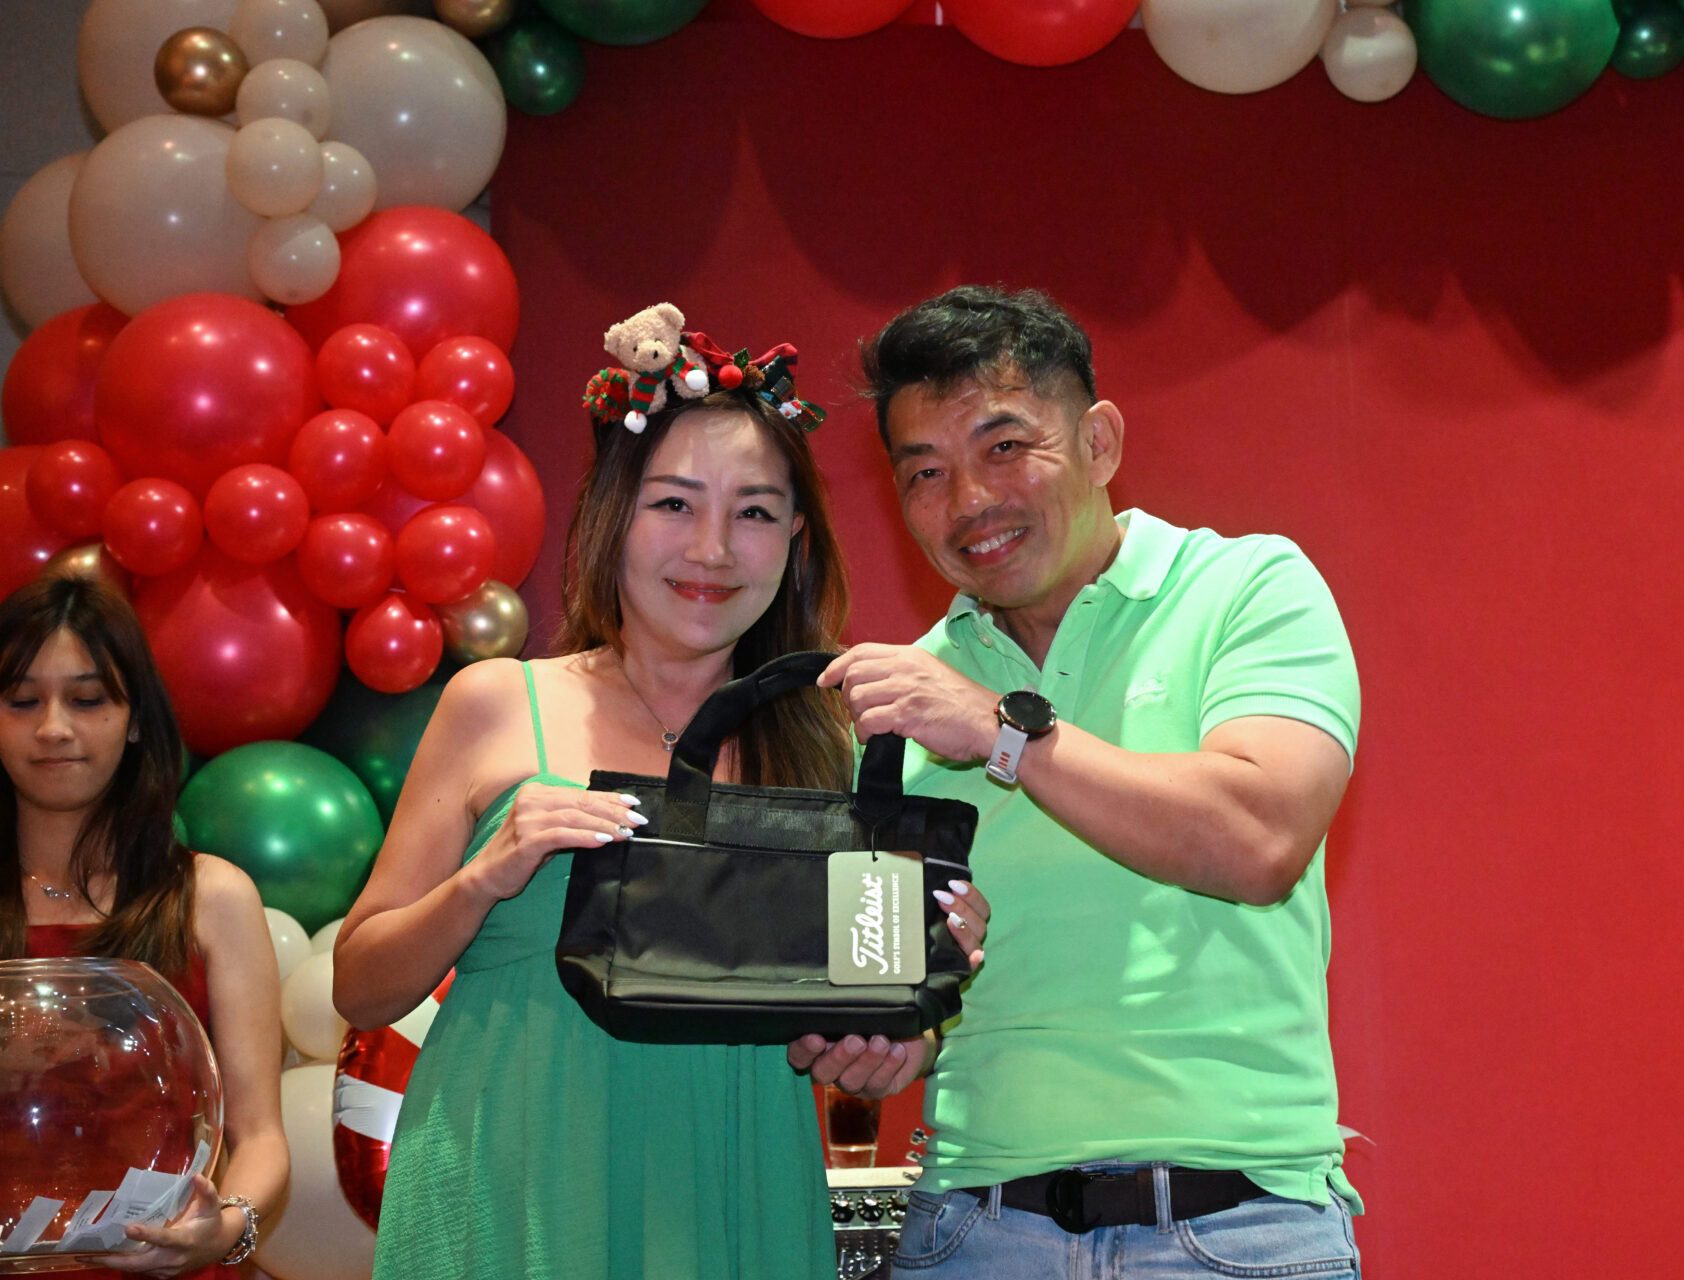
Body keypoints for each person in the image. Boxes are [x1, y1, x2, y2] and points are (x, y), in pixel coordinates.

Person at [331, 313, 988, 1280]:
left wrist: (913, 1009)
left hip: (734, 1191)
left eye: (754, 513)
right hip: (511, 1182)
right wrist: (484, 879)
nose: (712, 550)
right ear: (615, 516)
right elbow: (360, 987)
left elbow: (863, 1012)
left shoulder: (829, 747)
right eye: (675, 504)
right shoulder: (498, 702)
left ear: (794, 539)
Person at [791, 286, 1363, 1277]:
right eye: (925, 472)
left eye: (1005, 446)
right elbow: (895, 994)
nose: (969, 501)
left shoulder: (1248, 588)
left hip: (1239, 1229)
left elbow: (1260, 837)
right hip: (974, 1230)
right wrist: (881, 1038)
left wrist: (998, 729)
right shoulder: (897, 707)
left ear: (1098, 442)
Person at [1, 574, 288, 1278]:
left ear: (134, 719)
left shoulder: (210, 897)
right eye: (22, 700)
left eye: (87, 699)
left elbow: (260, 1139)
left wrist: (224, 1229)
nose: (54, 728)